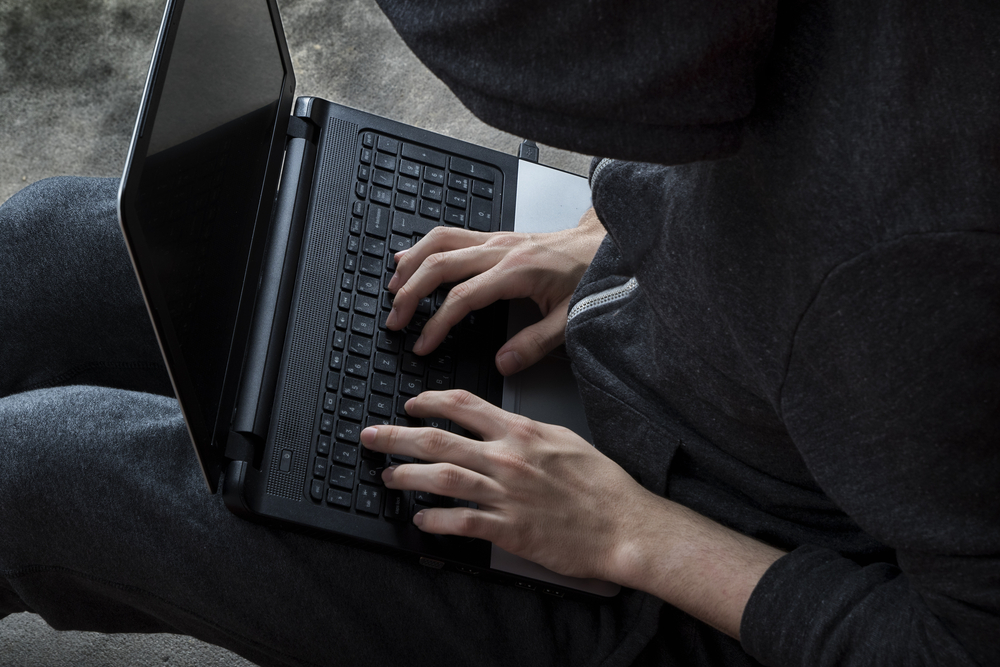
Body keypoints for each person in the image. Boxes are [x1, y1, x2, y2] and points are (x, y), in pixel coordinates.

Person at [1, 1, 998, 666]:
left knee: (35, 471)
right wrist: (622, 221)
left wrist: (635, 535)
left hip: (702, 552)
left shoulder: (912, 264)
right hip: (676, 347)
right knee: (45, 247)